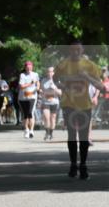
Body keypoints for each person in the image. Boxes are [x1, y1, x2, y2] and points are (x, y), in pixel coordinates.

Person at [54, 41, 101, 179]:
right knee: (71, 135)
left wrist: (87, 77)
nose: (75, 52)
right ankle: (73, 164)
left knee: (84, 137)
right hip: (68, 103)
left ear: (82, 50)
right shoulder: (63, 64)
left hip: (85, 104)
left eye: (78, 50)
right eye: (73, 50)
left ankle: (83, 165)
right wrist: (61, 86)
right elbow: (55, 79)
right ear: (69, 50)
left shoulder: (90, 65)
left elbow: (98, 83)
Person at [17, 60, 40, 138]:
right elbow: (21, 86)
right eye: (27, 66)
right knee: (25, 115)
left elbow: (37, 82)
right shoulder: (22, 75)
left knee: (30, 113)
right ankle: (26, 129)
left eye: (30, 66)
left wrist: (37, 87)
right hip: (22, 98)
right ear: (25, 68)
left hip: (32, 97)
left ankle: (31, 130)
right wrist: (31, 83)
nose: (29, 68)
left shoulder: (35, 74)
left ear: (32, 67)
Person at [40, 66, 61, 141]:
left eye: (51, 72)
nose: (49, 73)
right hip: (45, 101)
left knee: (53, 118)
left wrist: (54, 88)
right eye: (48, 71)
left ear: (54, 73)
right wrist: (42, 92)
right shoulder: (43, 81)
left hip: (54, 102)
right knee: (46, 117)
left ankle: (51, 133)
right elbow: (41, 91)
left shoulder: (57, 81)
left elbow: (60, 93)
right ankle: (47, 132)